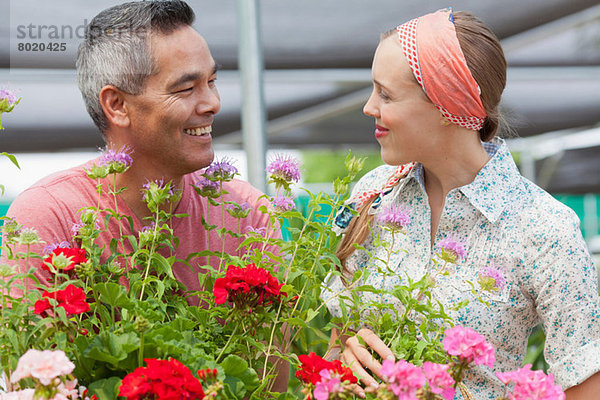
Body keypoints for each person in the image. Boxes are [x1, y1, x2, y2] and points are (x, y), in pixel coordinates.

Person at [320, 8, 600, 399]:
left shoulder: (544, 228)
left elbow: (585, 384)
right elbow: (340, 340)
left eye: (386, 93)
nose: (369, 106)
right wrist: (343, 358)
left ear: (447, 105)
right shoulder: (372, 194)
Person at [2, 1, 279, 302]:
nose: (213, 103)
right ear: (117, 105)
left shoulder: (248, 214)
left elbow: (273, 347)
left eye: (211, 81)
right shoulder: (50, 216)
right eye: (186, 89)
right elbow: (33, 348)